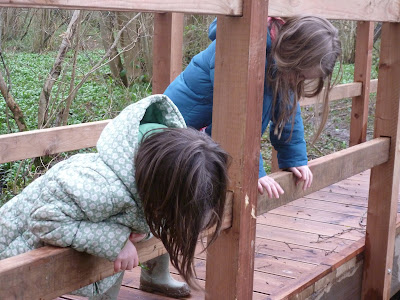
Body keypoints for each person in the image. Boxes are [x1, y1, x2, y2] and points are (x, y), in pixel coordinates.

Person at [0, 94, 229, 299]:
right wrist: (115, 241)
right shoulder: (100, 187)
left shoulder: (144, 175)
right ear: (163, 189)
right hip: (10, 257)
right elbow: (43, 220)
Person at [164, 15, 342, 199]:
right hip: (173, 135)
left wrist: (295, 158)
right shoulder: (241, 51)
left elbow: (288, 112)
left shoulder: (282, 59)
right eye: (299, 75)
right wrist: (250, 170)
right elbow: (234, 119)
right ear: (293, 59)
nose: (298, 81)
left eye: (303, 79)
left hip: (203, 140)